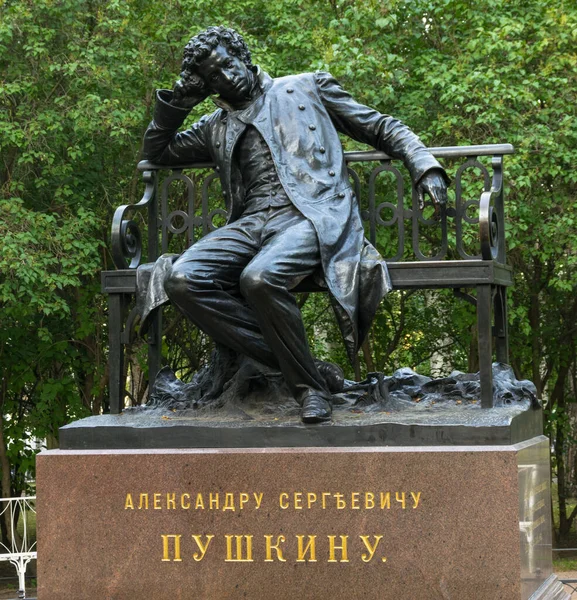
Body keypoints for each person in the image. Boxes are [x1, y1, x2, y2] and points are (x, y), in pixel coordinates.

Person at [142, 26, 449, 424]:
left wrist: (424, 164)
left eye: (230, 63)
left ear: (244, 56)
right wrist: (179, 103)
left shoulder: (306, 87)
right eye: (215, 75)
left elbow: (379, 126)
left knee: (260, 278)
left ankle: (309, 390)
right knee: (182, 279)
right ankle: (305, 367)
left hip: (313, 214)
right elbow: (157, 152)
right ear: (208, 85)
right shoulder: (215, 125)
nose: (228, 75)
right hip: (252, 223)